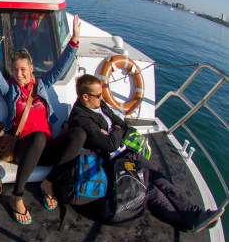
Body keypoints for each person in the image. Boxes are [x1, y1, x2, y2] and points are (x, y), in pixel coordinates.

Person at [68, 74, 224, 232]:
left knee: (159, 177)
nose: (102, 98)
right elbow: (110, 144)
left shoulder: (100, 106)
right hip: (112, 162)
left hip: (125, 152)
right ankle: (186, 221)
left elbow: (123, 124)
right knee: (150, 190)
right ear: (85, 96)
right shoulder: (81, 117)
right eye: (98, 95)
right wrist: (115, 131)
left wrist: (114, 132)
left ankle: (196, 215)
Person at [0, 15, 85, 225]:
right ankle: (17, 195)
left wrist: (74, 41)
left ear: (31, 69)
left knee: (79, 134)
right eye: (15, 70)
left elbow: (60, 67)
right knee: (39, 137)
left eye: (23, 69)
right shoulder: (10, 89)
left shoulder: (41, 85)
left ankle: (48, 182)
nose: (19, 74)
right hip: (24, 148)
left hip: (46, 148)